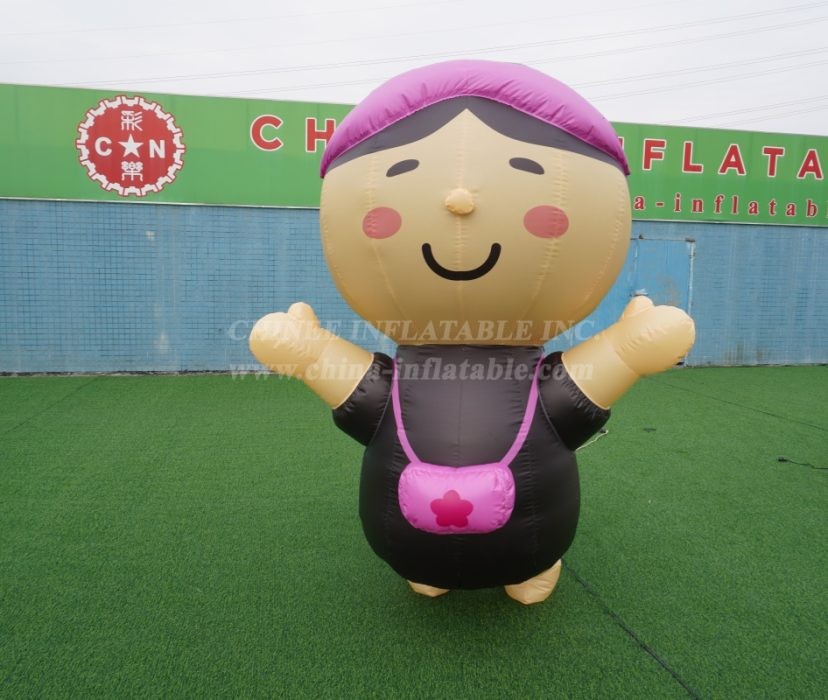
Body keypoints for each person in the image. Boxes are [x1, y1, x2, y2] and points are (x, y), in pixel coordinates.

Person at [249, 60, 694, 604]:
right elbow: (366, 396)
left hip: (532, 539)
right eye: (403, 173)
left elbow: (574, 395)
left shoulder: (534, 377)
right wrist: (308, 352)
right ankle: (428, 567)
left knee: (527, 535)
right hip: (407, 543)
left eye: (527, 172)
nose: (460, 200)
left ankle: (526, 569)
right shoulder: (405, 377)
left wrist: (628, 350)